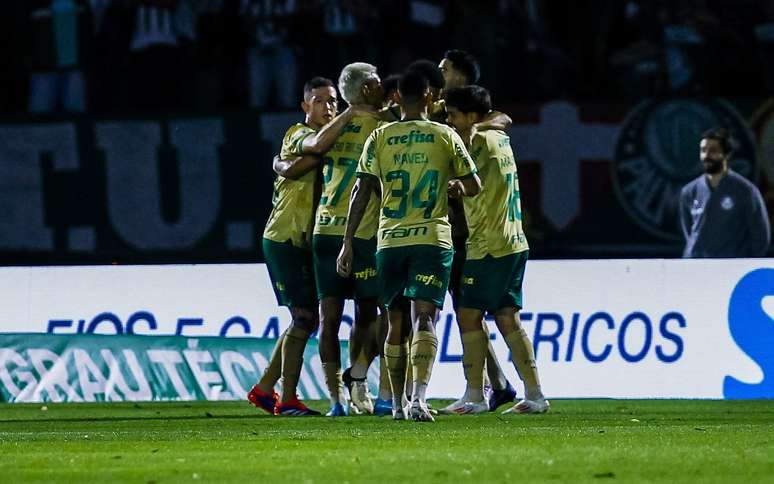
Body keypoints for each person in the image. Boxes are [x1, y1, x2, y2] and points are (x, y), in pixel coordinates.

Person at [337, 70, 482, 422]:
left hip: (389, 240)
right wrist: (454, 188)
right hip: (431, 238)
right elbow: (474, 185)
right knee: (425, 318)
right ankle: (418, 398)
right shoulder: (444, 135)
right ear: (431, 96)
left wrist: (348, 242)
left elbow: (361, 190)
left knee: (394, 321)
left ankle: (399, 404)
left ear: (397, 98)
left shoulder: (380, 136)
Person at [247, 76, 370, 416]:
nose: (327, 106)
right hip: (284, 236)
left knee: (306, 320)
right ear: (305, 106)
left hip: (306, 239)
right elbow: (314, 151)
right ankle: (286, 399)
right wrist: (351, 113)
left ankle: (264, 389)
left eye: (332, 100)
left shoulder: (333, 137)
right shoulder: (297, 134)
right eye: (319, 100)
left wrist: (282, 165)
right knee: (303, 317)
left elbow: (302, 164)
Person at [441, 85, 549, 415]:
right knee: (507, 317)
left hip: (488, 244)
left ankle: (475, 394)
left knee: (468, 315)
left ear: (472, 117)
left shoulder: (475, 142)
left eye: (453, 115)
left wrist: (450, 186)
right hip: (514, 240)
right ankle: (535, 395)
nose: (449, 121)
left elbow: (465, 183)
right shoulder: (499, 139)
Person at [436, 49, 519, 411]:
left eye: (445, 69)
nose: (440, 73)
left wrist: (467, 130)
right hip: (456, 226)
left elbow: (504, 118)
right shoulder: (444, 110)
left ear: (462, 76)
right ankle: (498, 382)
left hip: (468, 230)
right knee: (468, 308)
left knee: (469, 308)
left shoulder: (471, 113)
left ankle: (487, 387)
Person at [312, 63, 383, 417]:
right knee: (341, 316)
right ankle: (337, 396)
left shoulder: (338, 124)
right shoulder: (373, 125)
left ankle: (356, 383)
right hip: (341, 231)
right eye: (378, 81)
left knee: (364, 313)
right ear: (367, 88)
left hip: (345, 231)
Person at [679, 128, 771, 258]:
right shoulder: (689, 191)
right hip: (695, 267)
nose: (706, 156)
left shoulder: (745, 191)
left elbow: (761, 237)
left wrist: (744, 266)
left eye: (713, 151)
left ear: (727, 154)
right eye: (703, 150)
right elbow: (688, 231)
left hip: (731, 269)